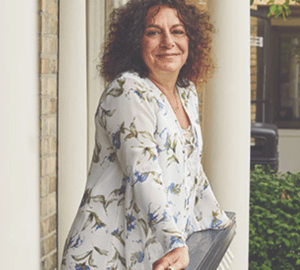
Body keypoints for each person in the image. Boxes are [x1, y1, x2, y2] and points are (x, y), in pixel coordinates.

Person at [61, 1, 231, 269]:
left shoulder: (185, 91)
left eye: (177, 31)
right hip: (107, 254)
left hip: (155, 249)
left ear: (191, 40)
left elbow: (191, 168)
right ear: (134, 41)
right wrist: (175, 243)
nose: (167, 42)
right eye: (153, 32)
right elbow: (143, 172)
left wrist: (217, 219)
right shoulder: (128, 91)